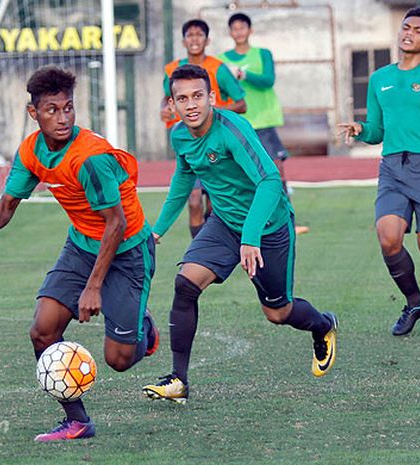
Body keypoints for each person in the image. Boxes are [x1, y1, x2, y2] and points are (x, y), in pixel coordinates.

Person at [0, 66, 159, 441]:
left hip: (128, 249)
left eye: (69, 108)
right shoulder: (31, 151)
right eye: (52, 110)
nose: (63, 117)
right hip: (82, 246)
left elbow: (115, 224)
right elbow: (7, 204)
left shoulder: (91, 158)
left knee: (119, 360)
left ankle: (143, 331)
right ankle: (78, 421)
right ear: (33, 113)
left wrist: (94, 287)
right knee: (42, 331)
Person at [143, 65, 337, 404]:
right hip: (224, 224)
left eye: (198, 96)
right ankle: (179, 380)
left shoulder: (233, 129)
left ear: (211, 98)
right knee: (185, 284)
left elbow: (270, 181)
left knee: (278, 313)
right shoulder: (179, 135)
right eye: (182, 98)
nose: (191, 105)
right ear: (172, 104)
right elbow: (183, 179)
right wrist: (157, 230)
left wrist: (251, 237)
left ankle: (323, 325)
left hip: (268, 228)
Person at [338, 7, 420, 338]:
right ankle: (415, 302)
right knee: (389, 238)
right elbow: (377, 131)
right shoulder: (380, 78)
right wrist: (360, 129)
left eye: (418, 30)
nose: (409, 33)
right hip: (393, 168)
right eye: (406, 27)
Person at [220, 12, 309, 235]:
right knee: (241, 174)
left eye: (243, 27)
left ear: (250, 30)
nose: (239, 32)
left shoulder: (263, 54)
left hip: (264, 120)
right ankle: (245, 221)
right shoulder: (222, 60)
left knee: (277, 170)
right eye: (235, 28)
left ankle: (288, 218)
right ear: (230, 32)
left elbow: (268, 80)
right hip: (237, 123)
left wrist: (242, 74)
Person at [162, 19, 247, 238]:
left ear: (207, 40)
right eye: (190, 35)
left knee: (214, 204)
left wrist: (212, 111)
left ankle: (216, 244)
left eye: (199, 35)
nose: (194, 39)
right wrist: (164, 109)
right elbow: (166, 99)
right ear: (183, 41)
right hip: (189, 142)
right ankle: (199, 249)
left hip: (215, 142)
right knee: (192, 200)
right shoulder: (172, 69)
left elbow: (241, 103)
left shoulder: (218, 68)